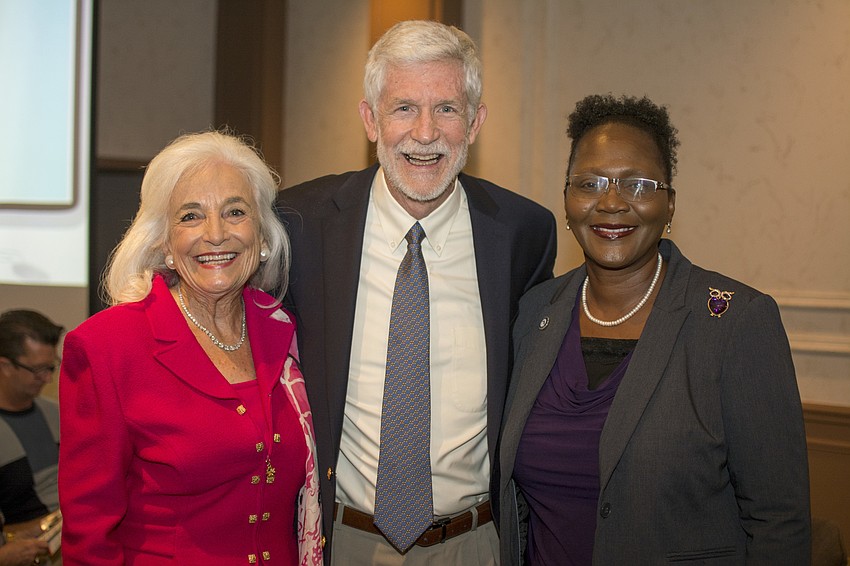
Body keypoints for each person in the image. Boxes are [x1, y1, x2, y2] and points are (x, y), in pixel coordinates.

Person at [277, 19, 557, 565]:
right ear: (370, 119)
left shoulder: (523, 233)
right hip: (342, 540)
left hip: (475, 542)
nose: (425, 133)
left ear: (475, 123)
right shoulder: (301, 223)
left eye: (447, 109)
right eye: (404, 107)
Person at [497, 94, 811, 564]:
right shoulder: (533, 313)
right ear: (566, 200)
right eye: (590, 183)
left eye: (638, 185)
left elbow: (779, 521)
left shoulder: (735, 324)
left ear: (669, 206)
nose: (610, 202)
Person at [58, 131, 322, 565]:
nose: (215, 235)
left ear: (262, 235)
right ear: (162, 239)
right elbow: (89, 535)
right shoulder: (107, 347)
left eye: (235, 212)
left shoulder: (287, 331)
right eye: (191, 216)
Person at [0, 310, 62, 539]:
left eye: (51, 366)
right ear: (5, 366)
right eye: (38, 370)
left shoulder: (56, 414)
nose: (47, 378)